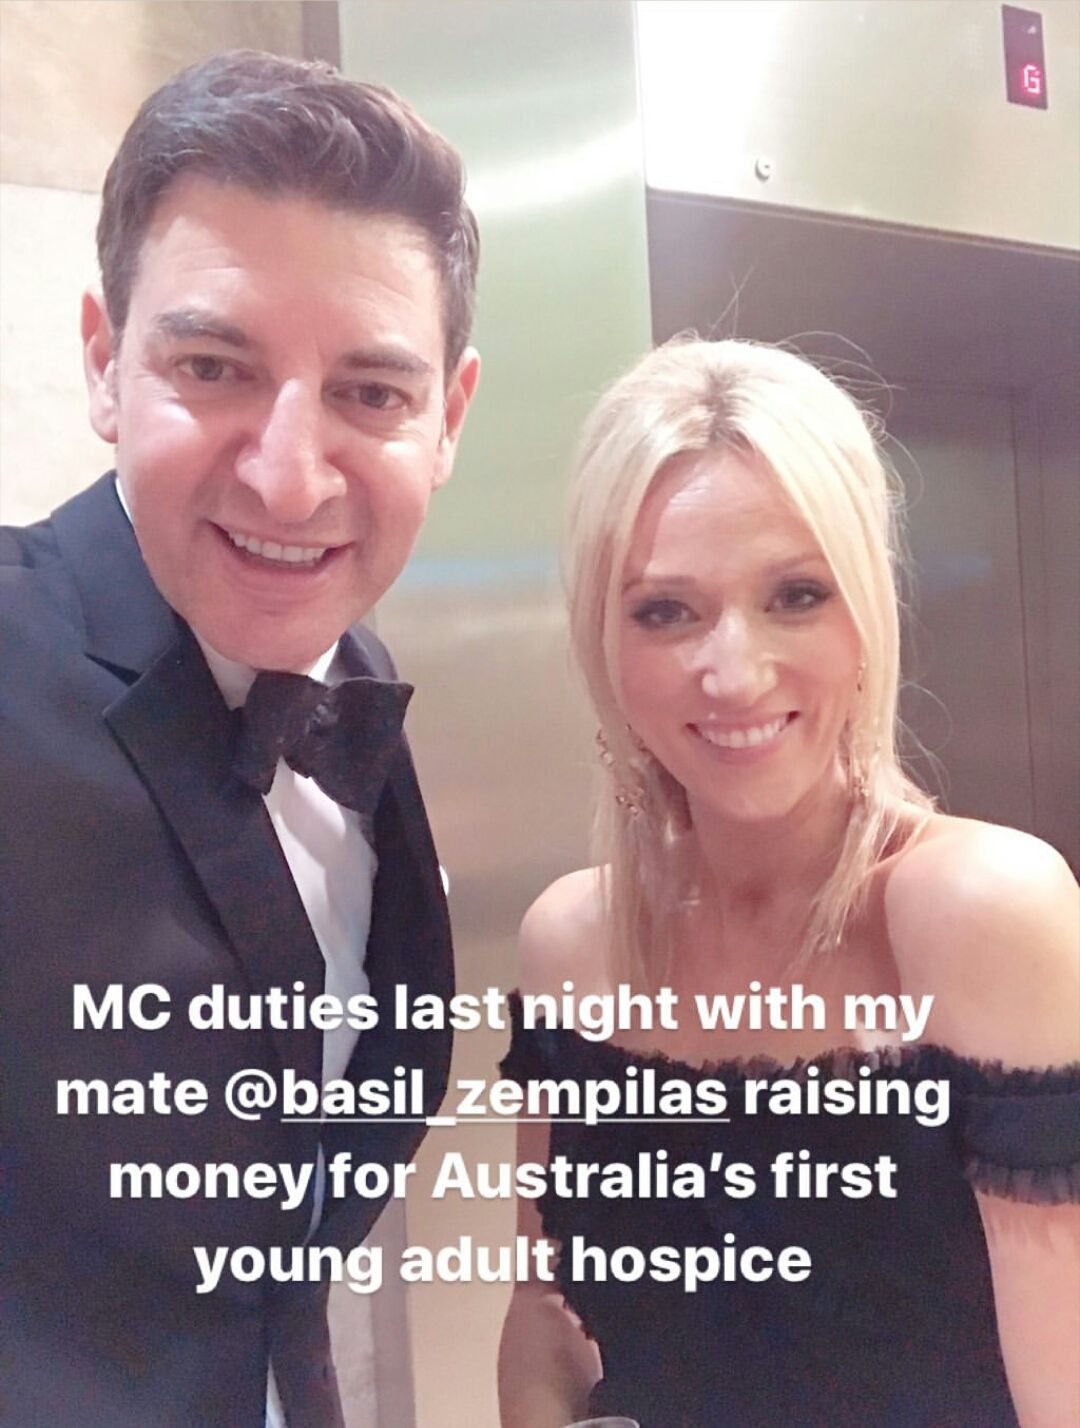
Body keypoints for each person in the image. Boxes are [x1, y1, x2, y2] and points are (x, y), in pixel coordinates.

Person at [0, 51, 480, 1428]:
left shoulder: (353, 678)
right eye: (214, 368)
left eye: (371, 393)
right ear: (105, 363)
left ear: (447, 418)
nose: (287, 476)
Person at [497, 339, 1079, 1427]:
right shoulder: (572, 940)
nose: (734, 672)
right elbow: (544, 1313)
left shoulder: (978, 910)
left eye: (796, 595)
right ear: (603, 636)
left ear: (867, 613)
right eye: (666, 610)